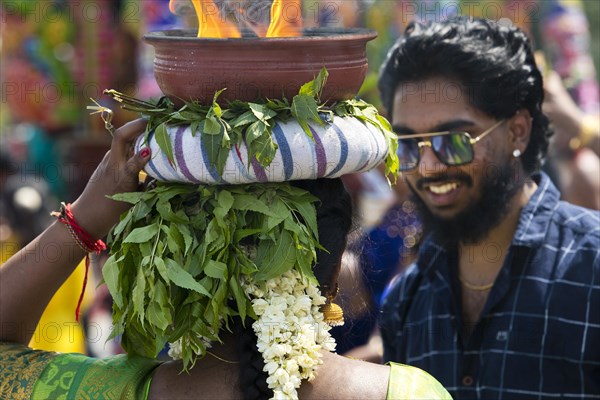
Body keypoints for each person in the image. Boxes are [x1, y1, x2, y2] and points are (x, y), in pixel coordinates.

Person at [0, 119, 451, 399]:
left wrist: (84, 219)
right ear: (332, 278)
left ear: (174, 274)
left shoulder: (114, 391)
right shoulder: (408, 393)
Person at [378, 17, 600, 398]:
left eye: (454, 141)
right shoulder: (407, 301)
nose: (429, 166)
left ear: (517, 131)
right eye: (409, 145)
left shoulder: (591, 266)